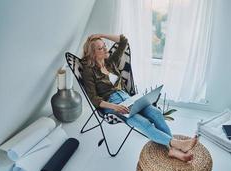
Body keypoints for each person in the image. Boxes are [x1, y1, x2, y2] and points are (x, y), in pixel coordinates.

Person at [81, 34, 198, 162]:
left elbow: (123, 41)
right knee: (143, 122)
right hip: (111, 105)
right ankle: (176, 145)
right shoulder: (89, 71)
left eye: (104, 46)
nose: (105, 49)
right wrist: (115, 107)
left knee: (156, 113)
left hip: (127, 98)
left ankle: (172, 149)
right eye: (100, 48)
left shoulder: (110, 62)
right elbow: (94, 99)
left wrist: (101, 35)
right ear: (92, 53)